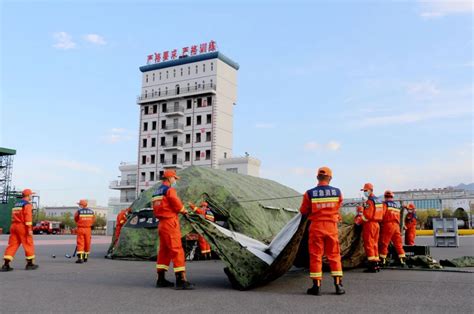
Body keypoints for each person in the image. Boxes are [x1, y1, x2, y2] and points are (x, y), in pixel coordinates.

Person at [299, 167, 345, 296]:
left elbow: (303, 211)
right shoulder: (338, 192)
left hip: (316, 227)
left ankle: (316, 287)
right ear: (330, 178)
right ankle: (338, 286)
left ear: (317, 177)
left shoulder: (309, 193)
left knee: (316, 256)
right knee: (334, 256)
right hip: (331, 227)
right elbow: (337, 208)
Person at [152, 169, 194, 290]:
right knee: (177, 250)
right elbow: (175, 203)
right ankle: (181, 280)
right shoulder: (169, 190)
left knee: (164, 251)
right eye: (174, 178)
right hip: (170, 222)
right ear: (170, 178)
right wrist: (184, 210)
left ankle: (160, 279)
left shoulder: (156, 192)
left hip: (161, 224)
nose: (175, 181)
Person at [1, 189, 38, 271]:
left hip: (14, 226)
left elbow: (13, 216)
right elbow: (28, 218)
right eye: (31, 195)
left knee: (12, 245)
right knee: (28, 243)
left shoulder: (16, 204)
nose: (31, 196)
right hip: (23, 227)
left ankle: (6, 264)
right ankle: (30, 264)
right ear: (28, 195)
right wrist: (29, 229)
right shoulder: (27, 205)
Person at [360, 183, 384, 273]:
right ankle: (376, 264)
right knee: (374, 244)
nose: (364, 192)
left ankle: (371, 266)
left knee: (369, 244)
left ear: (370, 190)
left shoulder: (369, 202)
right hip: (377, 224)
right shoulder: (378, 201)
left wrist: (359, 222)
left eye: (365, 190)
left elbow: (367, 216)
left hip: (369, 225)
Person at [378, 190, 406, 267]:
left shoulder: (385, 204)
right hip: (396, 226)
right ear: (392, 197)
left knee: (384, 243)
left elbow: (381, 215)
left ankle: (382, 260)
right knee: (398, 243)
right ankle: (402, 260)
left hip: (388, 225)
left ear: (385, 197)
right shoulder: (396, 206)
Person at [74, 199, 95, 264]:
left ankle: (80, 258)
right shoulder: (92, 212)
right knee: (87, 243)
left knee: (80, 243)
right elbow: (93, 220)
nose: (79, 206)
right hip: (88, 229)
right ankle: (85, 257)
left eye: (79, 204)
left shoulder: (79, 211)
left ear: (81, 205)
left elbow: (76, 219)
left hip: (81, 229)